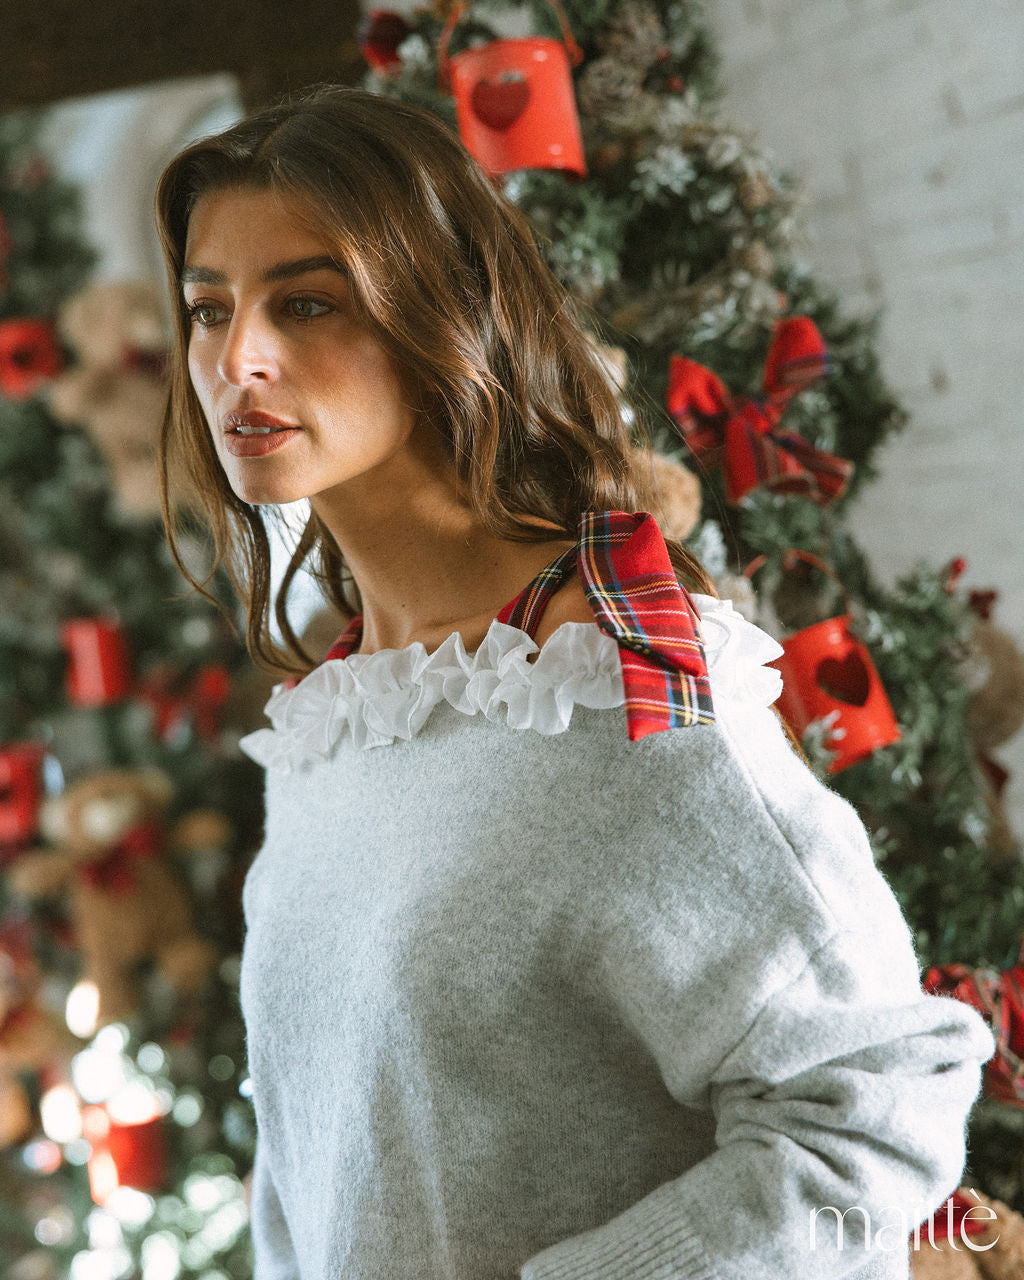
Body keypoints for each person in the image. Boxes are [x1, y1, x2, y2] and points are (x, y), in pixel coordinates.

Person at [155, 85, 995, 1280]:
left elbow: (871, 1113)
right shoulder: (335, 719)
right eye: (208, 308)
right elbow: (319, 1162)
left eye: (305, 301)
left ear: (436, 314)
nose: (237, 357)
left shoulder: (617, 687)